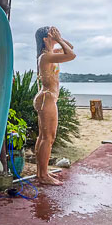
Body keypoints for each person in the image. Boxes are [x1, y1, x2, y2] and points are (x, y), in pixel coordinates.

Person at [33, 26, 76, 185]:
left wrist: (59, 38)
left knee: (43, 137)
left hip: (47, 98)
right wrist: (58, 40)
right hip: (47, 98)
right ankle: (43, 176)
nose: (56, 36)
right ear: (45, 39)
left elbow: (70, 48)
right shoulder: (45, 57)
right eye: (52, 34)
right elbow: (72, 56)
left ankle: (41, 173)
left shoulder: (51, 54)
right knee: (48, 138)